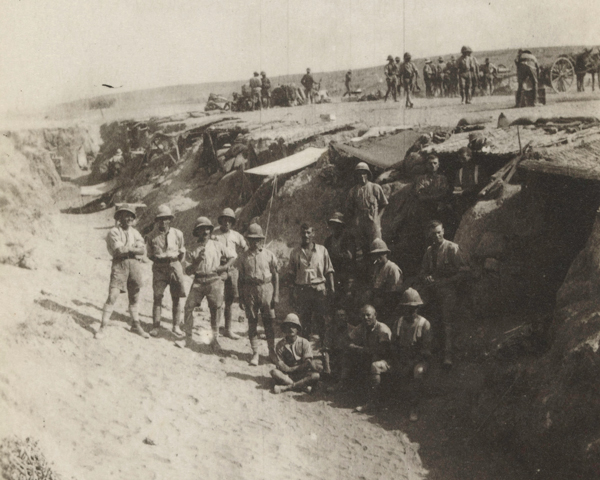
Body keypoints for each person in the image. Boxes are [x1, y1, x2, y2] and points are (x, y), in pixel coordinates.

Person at [178, 216, 236, 352]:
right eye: (201, 230)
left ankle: (214, 340)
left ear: (210, 231)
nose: (205, 232)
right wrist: (197, 261)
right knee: (188, 307)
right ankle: (188, 338)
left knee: (215, 309)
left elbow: (233, 256)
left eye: (207, 229)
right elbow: (187, 271)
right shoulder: (192, 248)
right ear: (197, 232)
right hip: (198, 281)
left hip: (214, 280)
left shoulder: (217, 245)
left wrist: (224, 267)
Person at [418, 220, 469, 367]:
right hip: (433, 289)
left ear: (444, 231)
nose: (437, 236)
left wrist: (446, 282)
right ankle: (426, 350)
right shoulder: (429, 251)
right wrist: (426, 277)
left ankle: (448, 355)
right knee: (421, 311)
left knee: (447, 320)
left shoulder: (452, 248)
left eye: (439, 232)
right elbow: (422, 271)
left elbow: (464, 272)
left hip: (449, 289)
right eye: (433, 234)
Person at [95, 204, 148, 340]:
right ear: (119, 217)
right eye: (126, 215)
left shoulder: (135, 232)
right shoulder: (114, 232)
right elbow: (119, 250)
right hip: (120, 265)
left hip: (134, 265)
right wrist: (134, 248)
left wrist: (130, 249)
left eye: (131, 216)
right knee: (113, 295)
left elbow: (142, 250)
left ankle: (135, 325)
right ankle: (103, 326)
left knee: (134, 296)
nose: (129, 218)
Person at [386, 288, 432, 422]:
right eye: (406, 308)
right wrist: (399, 361)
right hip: (401, 358)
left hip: (418, 360)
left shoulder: (424, 324)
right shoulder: (398, 323)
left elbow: (426, 350)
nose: (410, 311)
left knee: (418, 372)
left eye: (413, 308)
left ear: (418, 308)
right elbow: (393, 344)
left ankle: (414, 407)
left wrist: (410, 364)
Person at [237, 224, 279, 366]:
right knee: (252, 322)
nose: (254, 242)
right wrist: (241, 297)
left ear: (261, 239)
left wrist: (276, 295)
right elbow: (240, 278)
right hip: (250, 291)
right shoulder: (243, 257)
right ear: (247, 240)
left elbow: (275, 275)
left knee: (269, 322)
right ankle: (255, 353)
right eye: (251, 239)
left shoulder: (268, 255)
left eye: (257, 239)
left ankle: (271, 352)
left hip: (266, 288)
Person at [337, 305, 392, 412]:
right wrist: (356, 348)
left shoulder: (382, 329)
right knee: (349, 354)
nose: (366, 318)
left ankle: (372, 402)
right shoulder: (362, 327)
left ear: (375, 315)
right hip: (370, 355)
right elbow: (347, 340)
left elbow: (382, 351)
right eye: (363, 315)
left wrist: (360, 349)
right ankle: (344, 385)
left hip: (387, 360)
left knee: (373, 362)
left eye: (368, 315)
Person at [288, 223, 335, 341]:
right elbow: (291, 274)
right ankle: (306, 350)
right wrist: (291, 292)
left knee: (321, 321)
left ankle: (325, 350)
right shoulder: (295, 252)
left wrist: (332, 289)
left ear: (313, 234)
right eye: (303, 232)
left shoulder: (322, 250)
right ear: (300, 234)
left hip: (319, 290)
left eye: (308, 232)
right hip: (303, 291)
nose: (306, 235)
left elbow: (329, 270)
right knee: (305, 321)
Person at [145, 205, 186, 338]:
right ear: (157, 220)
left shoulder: (177, 233)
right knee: (157, 296)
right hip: (159, 268)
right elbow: (149, 254)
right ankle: (156, 327)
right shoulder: (151, 236)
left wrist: (174, 262)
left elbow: (181, 251)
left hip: (174, 265)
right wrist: (160, 262)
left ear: (170, 220)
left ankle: (176, 326)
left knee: (176, 297)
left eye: (166, 219)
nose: (163, 222)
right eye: (160, 219)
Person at [213, 208, 247, 340]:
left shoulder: (236, 235)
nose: (226, 223)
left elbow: (245, 248)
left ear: (232, 222)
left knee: (230, 300)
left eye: (229, 221)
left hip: (233, 270)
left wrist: (240, 263)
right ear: (220, 220)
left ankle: (228, 329)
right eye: (224, 220)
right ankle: (215, 329)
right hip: (219, 268)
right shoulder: (213, 233)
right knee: (217, 300)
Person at [345, 162, 389, 257]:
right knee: (364, 248)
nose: (361, 176)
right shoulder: (353, 191)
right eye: (359, 173)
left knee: (377, 245)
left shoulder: (375, 187)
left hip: (373, 221)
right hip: (360, 222)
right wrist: (355, 220)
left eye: (364, 173)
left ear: (368, 174)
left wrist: (378, 218)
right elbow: (349, 209)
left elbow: (384, 204)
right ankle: (367, 269)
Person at [270, 314, 321, 394]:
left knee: (316, 375)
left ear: (297, 329)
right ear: (285, 329)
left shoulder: (304, 342)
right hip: (288, 375)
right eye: (288, 326)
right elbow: (281, 364)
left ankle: (286, 387)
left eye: (294, 326)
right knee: (274, 372)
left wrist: (292, 369)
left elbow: (307, 363)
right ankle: (303, 387)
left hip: (302, 374)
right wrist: (288, 370)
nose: (291, 329)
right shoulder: (280, 345)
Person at [367, 239, 403, 327]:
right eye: (375, 255)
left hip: (389, 307)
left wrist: (382, 299)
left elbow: (396, 294)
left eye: (380, 254)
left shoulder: (392, 268)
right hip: (378, 306)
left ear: (386, 254)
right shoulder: (377, 268)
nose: (377, 258)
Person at [323, 212, 355, 307]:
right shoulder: (328, 241)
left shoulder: (348, 239)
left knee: (347, 300)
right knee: (333, 299)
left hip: (347, 274)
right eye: (332, 225)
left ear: (342, 226)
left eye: (337, 225)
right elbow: (325, 258)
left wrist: (333, 256)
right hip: (333, 275)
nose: (335, 228)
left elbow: (349, 256)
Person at [413, 154, 450, 223]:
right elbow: (420, 195)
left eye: (435, 163)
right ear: (426, 165)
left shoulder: (442, 179)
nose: (433, 165)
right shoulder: (421, 179)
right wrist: (435, 195)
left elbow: (444, 193)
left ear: (438, 165)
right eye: (430, 163)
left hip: (438, 206)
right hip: (425, 207)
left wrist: (428, 194)